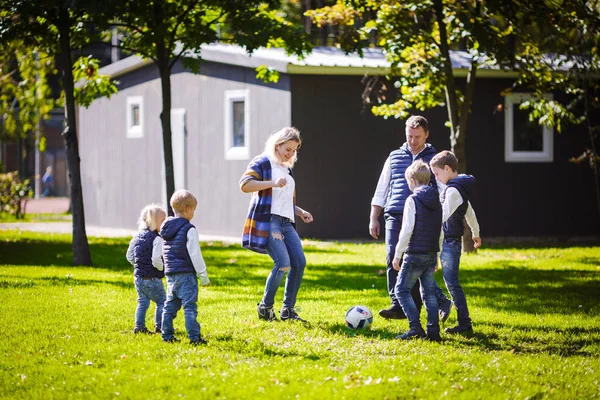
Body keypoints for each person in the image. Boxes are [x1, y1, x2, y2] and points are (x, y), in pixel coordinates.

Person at [369, 115, 452, 321]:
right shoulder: (394, 156)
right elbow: (382, 188)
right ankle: (398, 305)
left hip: (423, 216)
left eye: (417, 137)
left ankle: (419, 304)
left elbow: (443, 189)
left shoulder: (435, 158)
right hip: (395, 213)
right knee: (392, 258)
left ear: (426, 135)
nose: (413, 141)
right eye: (409, 136)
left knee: (417, 260)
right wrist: (374, 217)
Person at [239, 127, 313, 323]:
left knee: (299, 263)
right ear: (277, 145)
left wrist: (300, 212)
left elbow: (284, 201)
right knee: (283, 263)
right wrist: (271, 183)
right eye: (288, 149)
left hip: (286, 222)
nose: (291, 154)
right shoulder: (263, 162)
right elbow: (245, 185)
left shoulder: (287, 169)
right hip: (269, 221)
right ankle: (265, 307)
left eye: (294, 150)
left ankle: (288, 310)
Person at [430, 150, 481, 334]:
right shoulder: (458, 188)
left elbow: (441, 218)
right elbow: (470, 211)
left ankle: (464, 323)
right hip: (451, 240)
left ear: (447, 168)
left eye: (436, 174)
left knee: (451, 282)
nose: (436, 178)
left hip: (449, 242)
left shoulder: (453, 191)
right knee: (436, 277)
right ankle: (446, 306)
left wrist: (435, 252)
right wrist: (475, 232)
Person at [392, 160, 443, 341]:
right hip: (430, 253)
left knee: (401, 290)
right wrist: (437, 255)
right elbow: (440, 231)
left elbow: (407, 230)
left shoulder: (412, 200)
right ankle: (434, 331)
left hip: (414, 254)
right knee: (428, 293)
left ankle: (415, 327)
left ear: (412, 181)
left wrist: (398, 254)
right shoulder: (437, 201)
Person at [160, 190, 210, 345]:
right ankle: (194, 337)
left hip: (171, 274)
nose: (193, 213)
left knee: (170, 305)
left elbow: (163, 251)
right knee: (189, 307)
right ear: (188, 209)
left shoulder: (166, 229)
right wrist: (203, 276)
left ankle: (166, 335)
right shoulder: (189, 229)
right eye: (193, 210)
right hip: (186, 274)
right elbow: (195, 254)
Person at [126, 204, 167, 334]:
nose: (165, 224)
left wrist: (139, 264)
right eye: (163, 221)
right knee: (162, 301)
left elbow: (129, 256)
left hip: (138, 278)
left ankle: (139, 327)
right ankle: (160, 327)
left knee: (142, 303)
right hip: (152, 278)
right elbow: (156, 260)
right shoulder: (157, 238)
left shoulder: (137, 236)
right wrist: (164, 269)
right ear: (155, 222)